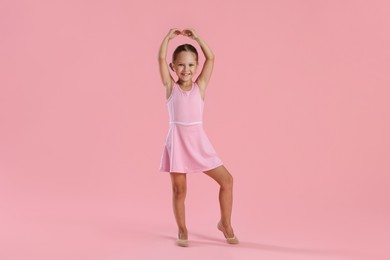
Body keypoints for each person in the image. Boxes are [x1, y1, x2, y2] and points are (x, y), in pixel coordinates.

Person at [158, 28, 239, 247]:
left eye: (191, 64)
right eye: (181, 65)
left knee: (227, 181)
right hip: (177, 142)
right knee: (179, 190)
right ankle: (182, 229)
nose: (186, 69)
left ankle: (225, 223)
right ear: (172, 67)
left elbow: (211, 57)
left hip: (198, 142)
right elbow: (160, 57)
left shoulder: (200, 86)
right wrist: (167, 38)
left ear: (197, 66)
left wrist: (196, 38)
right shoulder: (170, 88)